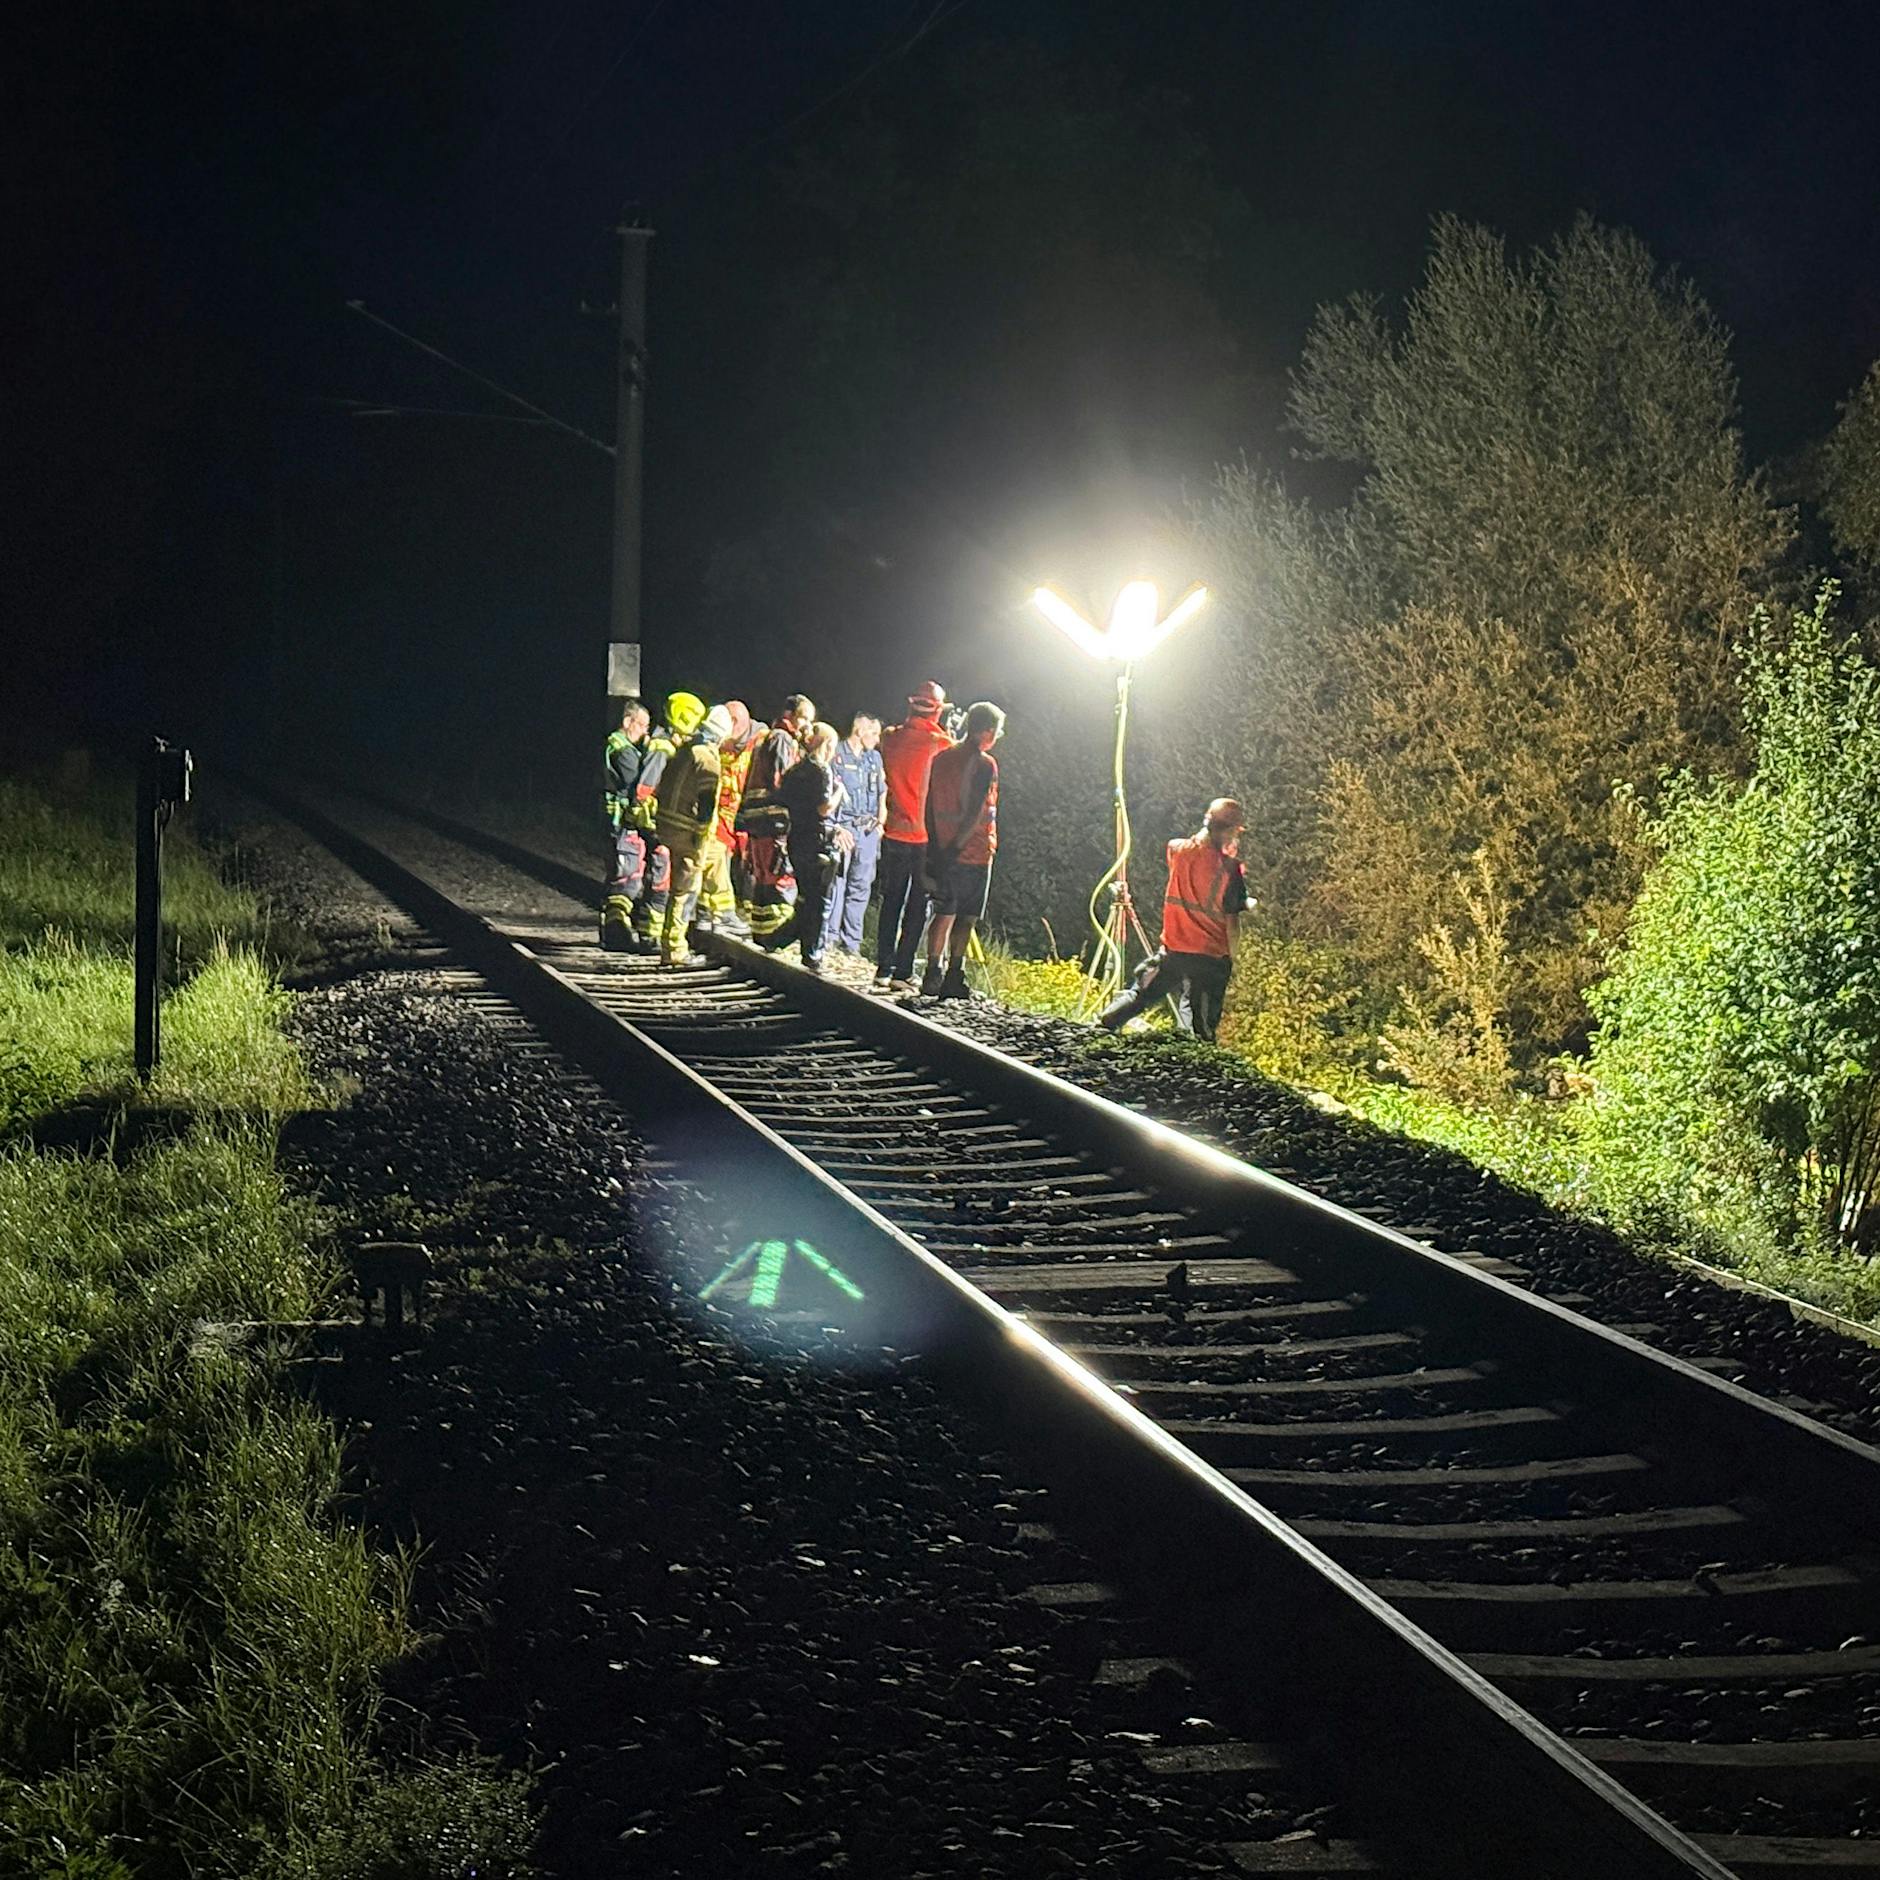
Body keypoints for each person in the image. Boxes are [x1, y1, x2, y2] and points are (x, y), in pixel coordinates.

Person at [1097, 798, 1249, 1042]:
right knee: (1202, 1024)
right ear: (1231, 830)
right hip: (1210, 955)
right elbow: (1232, 922)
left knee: (1141, 993)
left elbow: (1193, 866)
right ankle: (1199, 1054)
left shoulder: (1178, 850)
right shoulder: (1230, 870)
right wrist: (1233, 957)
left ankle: (1102, 1026)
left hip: (1174, 948)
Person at [919, 700, 1005, 1000]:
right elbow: (975, 811)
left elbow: (929, 803)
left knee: (944, 911)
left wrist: (935, 847)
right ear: (988, 731)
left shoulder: (942, 758)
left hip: (942, 846)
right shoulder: (984, 764)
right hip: (973, 851)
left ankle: (933, 972)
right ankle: (954, 974)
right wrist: (956, 848)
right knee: (966, 915)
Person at [874, 680, 953, 992]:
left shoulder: (889, 737)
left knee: (891, 901)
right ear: (936, 711)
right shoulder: (939, 742)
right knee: (918, 906)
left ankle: (883, 966)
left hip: (893, 831)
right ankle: (903, 970)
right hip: (923, 837)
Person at [653, 704, 734, 967]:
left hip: (667, 824)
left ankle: (722, 911)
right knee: (686, 888)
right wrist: (701, 832)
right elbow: (707, 800)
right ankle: (675, 949)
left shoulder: (684, 750)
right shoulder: (707, 756)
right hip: (687, 830)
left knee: (712, 859)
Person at [760, 721, 842, 972]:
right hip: (818, 842)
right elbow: (824, 808)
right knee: (819, 902)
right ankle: (812, 954)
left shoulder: (795, 771)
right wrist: (839, 791)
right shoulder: (821, 771)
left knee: (806, 898)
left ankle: (777, 940)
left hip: (797, 839)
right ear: (828, 744)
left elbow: (782, 799)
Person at [631, 689, 707, 950]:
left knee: (662, 878)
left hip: (659, 823)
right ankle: (649, 935)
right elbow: (646, 787)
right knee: (660, 879)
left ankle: (652, 933)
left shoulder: (668, 746)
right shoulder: (663, 748)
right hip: (656, 825)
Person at [738, 695, 814, 942]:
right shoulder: (783, 739)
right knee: (778, 875)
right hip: (774, 819)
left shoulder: (768, 737)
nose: (807, 725)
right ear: (790, 715)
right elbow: (781, 779)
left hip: (759, 819)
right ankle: (777, 933)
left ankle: (762, 931)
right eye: (804, 718)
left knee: (763, 876)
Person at [600, 696, 665, 952]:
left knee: (624, 876)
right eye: (642, 725)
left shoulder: (620, 746)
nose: (645, 732)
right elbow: (635, 780)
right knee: (627, 879)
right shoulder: (620, 748)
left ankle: (613, 933)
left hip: (621, 824)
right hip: (622, 823)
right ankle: (616, 934)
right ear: (628, 722)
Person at [822, 712, 885, 959]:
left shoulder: (874, 758)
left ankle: (851, 944)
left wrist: (881, 821)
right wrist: (834, 827)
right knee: (837, 883)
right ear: (860, 730)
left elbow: (882, 790)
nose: (877, 739)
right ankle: (829, 938)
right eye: (874, 733)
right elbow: (826, 792)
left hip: (868, 830)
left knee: (861, 886)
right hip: (844, 827)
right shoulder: (836, 754)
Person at [695, 700, 755, 939]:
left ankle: (715, 914)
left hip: (735, 819)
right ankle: (715, 914)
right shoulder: (714, 747)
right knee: (714, 863)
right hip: (716, 819)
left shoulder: (756, 742)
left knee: (717, 865)